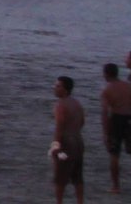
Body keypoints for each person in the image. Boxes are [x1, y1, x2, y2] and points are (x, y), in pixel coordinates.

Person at [104, 62, 131, 197]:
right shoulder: (129, 86)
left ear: (106, 74)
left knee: (114, 154)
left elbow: (104, 113)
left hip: (116, 120)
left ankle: (116, 187)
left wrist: (105, 132)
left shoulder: (107, 90)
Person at [55, 76, 88, 204]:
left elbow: (60, 126)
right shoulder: (76, 103)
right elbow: (82, 122)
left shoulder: (60, 105)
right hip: (78, 140)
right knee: (77, 177)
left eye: (58, 86)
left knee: (60, 178)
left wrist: (56, 144)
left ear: (65, 89)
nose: (55, 88)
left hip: (67, 142)